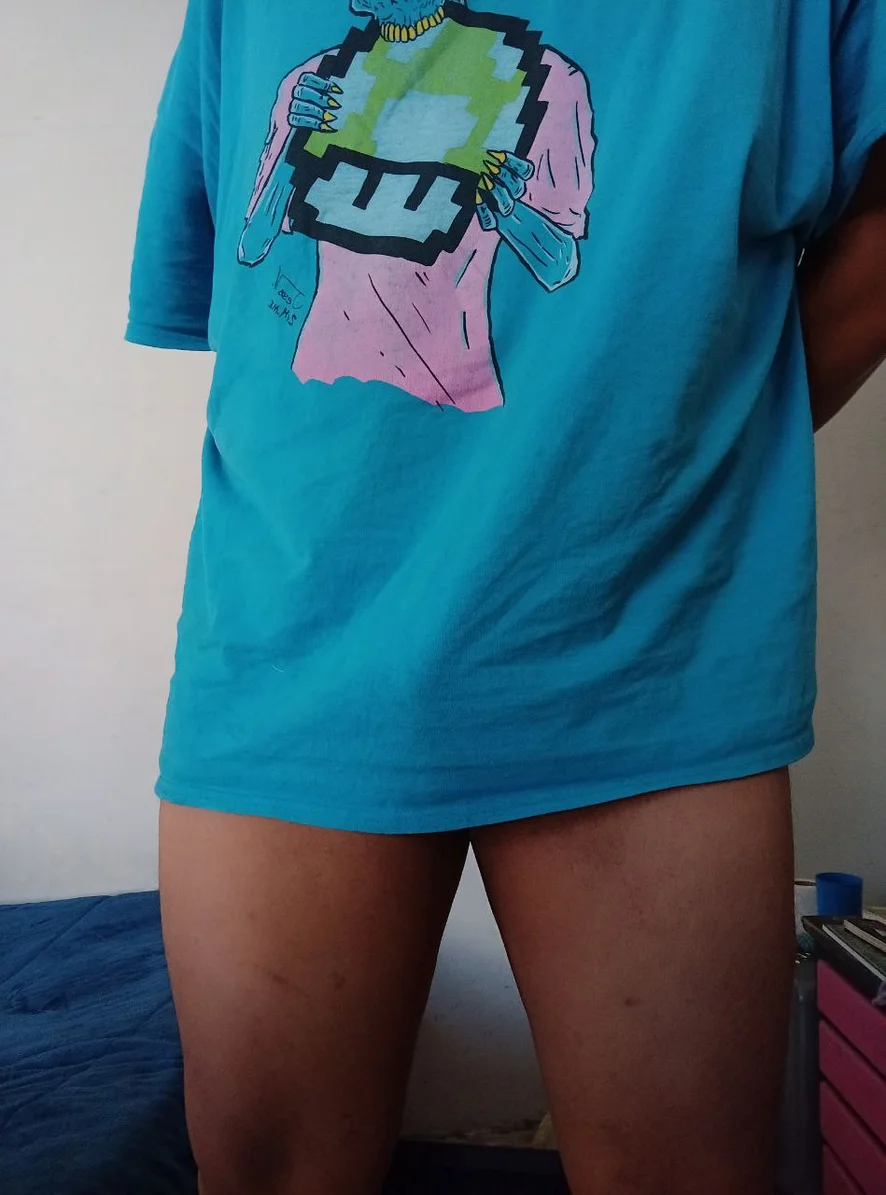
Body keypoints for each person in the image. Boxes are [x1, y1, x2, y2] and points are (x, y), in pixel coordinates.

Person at [126, 0, 886, 1191]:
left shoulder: (553, 83)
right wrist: (298, 146)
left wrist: (682, 461)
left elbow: (560, 253)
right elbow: (247, 256)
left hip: (638, 639)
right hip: (290, 631)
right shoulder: (293, 55)